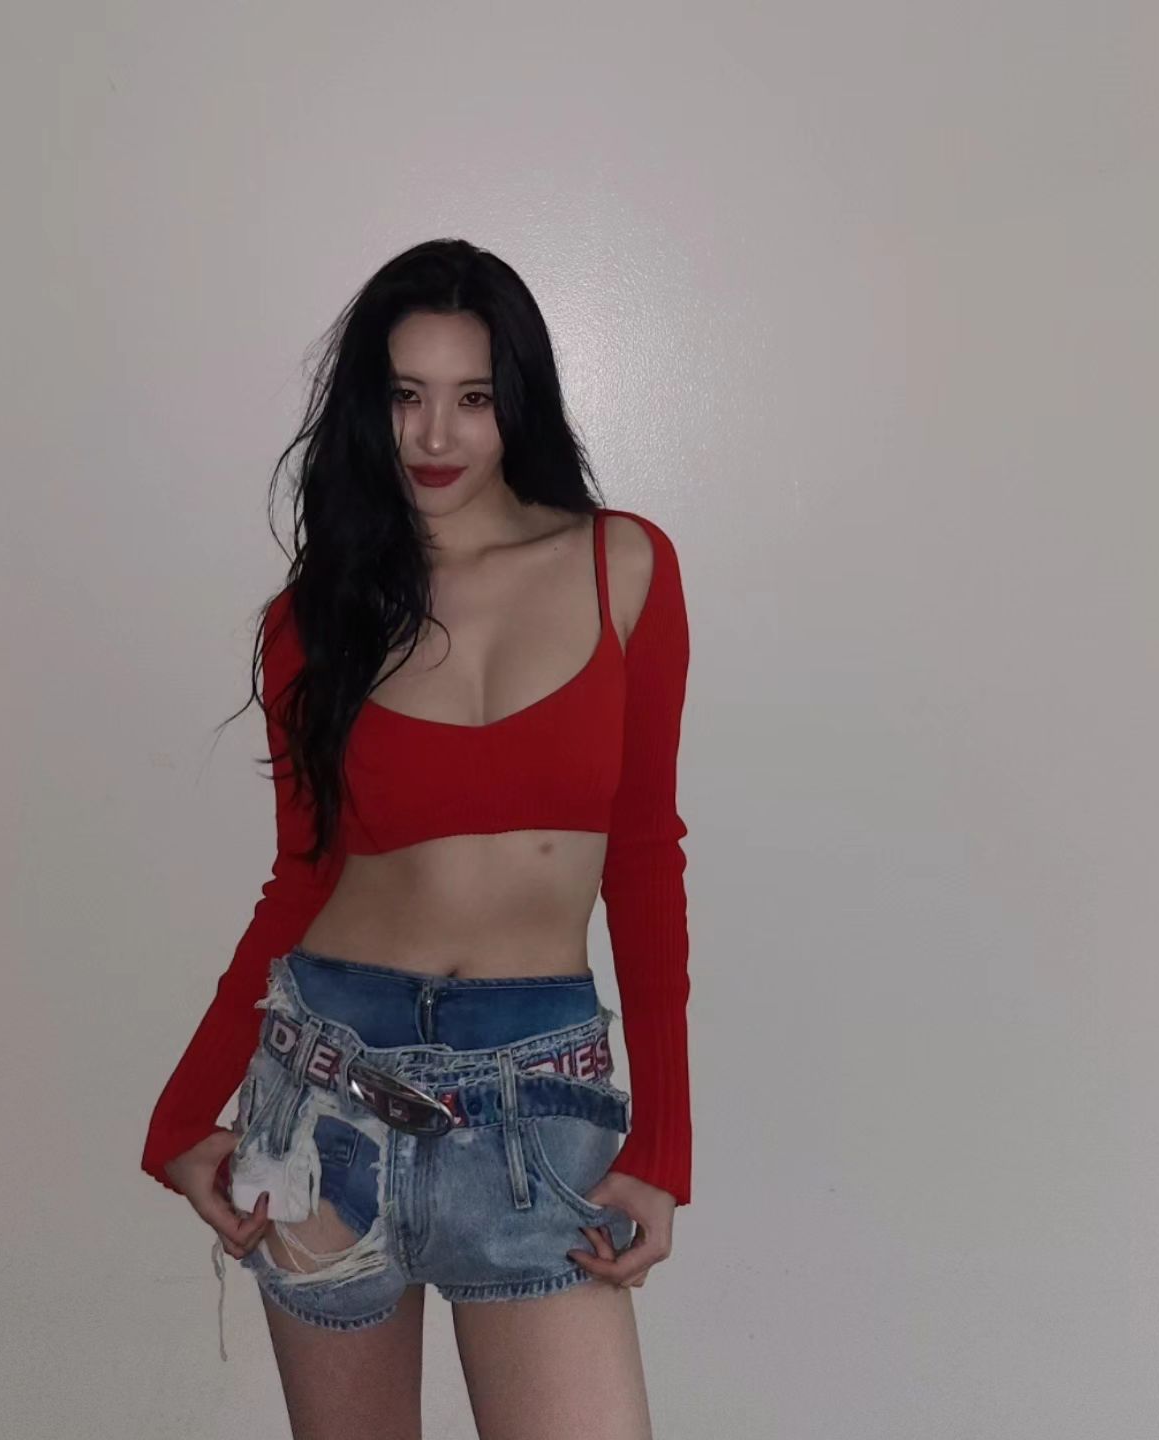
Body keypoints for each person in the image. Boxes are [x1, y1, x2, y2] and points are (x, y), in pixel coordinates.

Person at [142, 238, 691, 1440]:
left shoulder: (623, 568)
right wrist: (180, 1119)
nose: (435, 435)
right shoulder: (316, 617)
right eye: (406, 394)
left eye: (474, 397)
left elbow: (646, 857)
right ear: (368, 403)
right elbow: (302, 879)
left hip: (535, 1100)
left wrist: (665, 1145)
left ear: (518, 402)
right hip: (323, 1093)